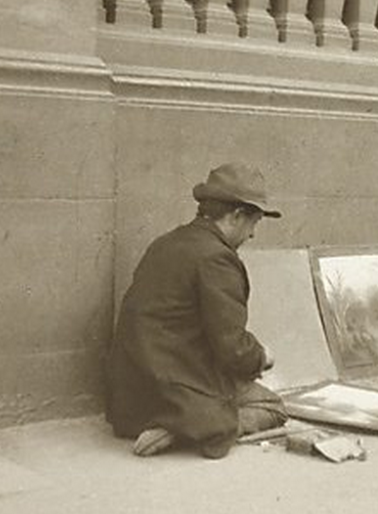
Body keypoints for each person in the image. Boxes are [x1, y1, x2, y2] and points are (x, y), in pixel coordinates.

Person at [106, 162, 288, 458]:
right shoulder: (217, 258)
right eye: (254, 223)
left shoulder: (166, 243)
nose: (253, 235)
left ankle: (184, 421)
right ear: (237, 215)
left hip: (131, 397)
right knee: (272, 407)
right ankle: (186, 428)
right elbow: (232, 349)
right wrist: (262, 357)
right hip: (175, 392)